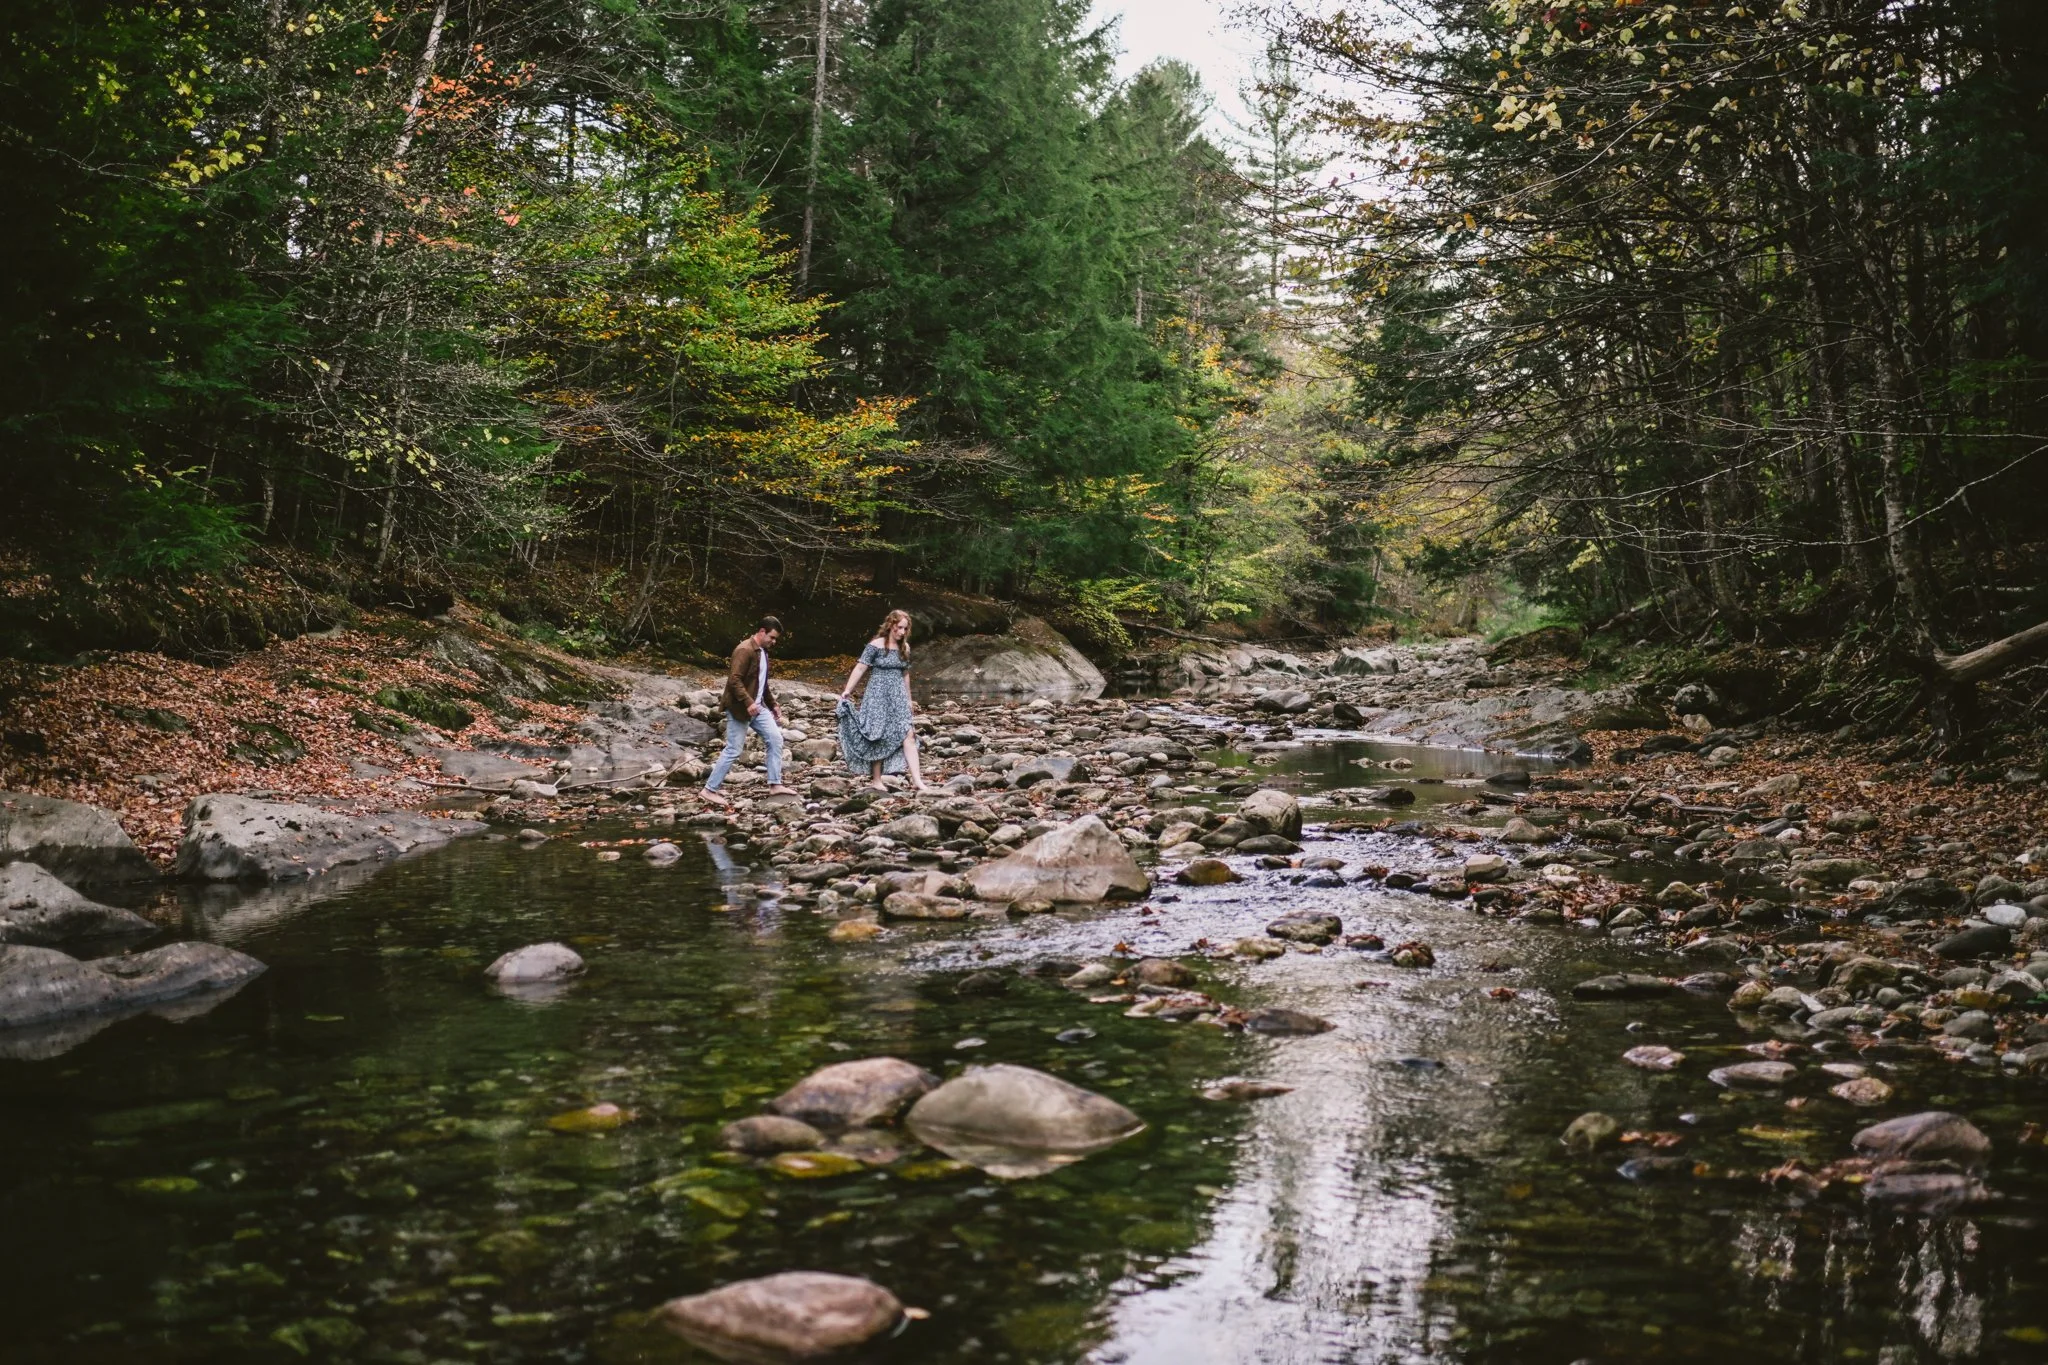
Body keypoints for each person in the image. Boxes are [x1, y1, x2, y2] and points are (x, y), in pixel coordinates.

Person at [703, 616, 797, 804]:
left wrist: (773, 704)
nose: (774, 641)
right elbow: (734, 680)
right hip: (739, 708)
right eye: (772, 637)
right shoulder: (744, 650)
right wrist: (748, 702)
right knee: (733, 750)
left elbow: (762, 683)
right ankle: (709, 790)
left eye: (775, 638)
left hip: (758, 707)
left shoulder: (762, 652)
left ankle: (775, 784)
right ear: (762, 632)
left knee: (776, 739)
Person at [836, 609, 931, 792]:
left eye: (905, 629)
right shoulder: (876, 645)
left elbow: (905, 675)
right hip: (877, 695)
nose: (902, 632)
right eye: (899, 627)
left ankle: (918, 781)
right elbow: (860, 667)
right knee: (877, 735)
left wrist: (909, 700)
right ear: (890, 625)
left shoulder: (905, 648)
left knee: (909, 735)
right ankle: (876, 780)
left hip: (898, 696)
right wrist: (848, 690)